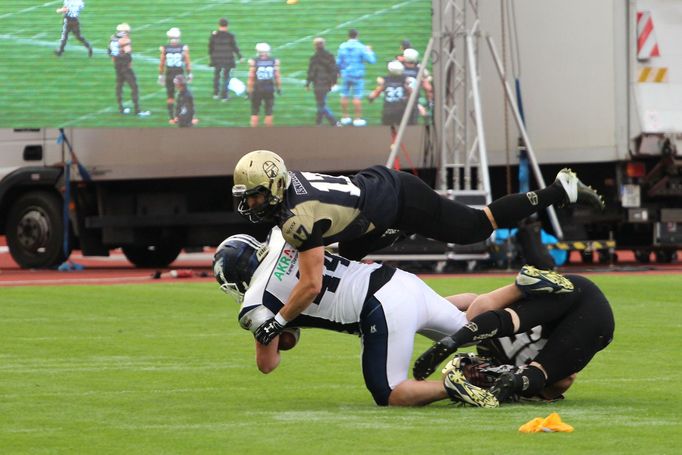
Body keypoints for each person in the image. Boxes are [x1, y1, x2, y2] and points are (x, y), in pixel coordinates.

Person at [231, 150, 606, 347]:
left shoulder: (296, 217)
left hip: (395, 198)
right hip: (372, 205)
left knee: (476, 226)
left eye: (256, 195)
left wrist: (279, 322)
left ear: (275, 185)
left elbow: (311, 285)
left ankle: (560, 189)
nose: (251, 204)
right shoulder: (291, 196)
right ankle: (393, 236)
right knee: (343, 262)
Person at [212, 228, 543, 406]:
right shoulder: (282, 233)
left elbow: (268, 364)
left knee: (389, 391)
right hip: (396, 279)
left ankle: (457, 385)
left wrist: (274, 330)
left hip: (380, 308)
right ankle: (519, 290)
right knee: (467, 325)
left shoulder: (256, 302)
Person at [412, 268, 615, 407]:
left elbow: (565, 380)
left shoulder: (489, 348)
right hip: (576, 295)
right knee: (510, 323)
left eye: (472, 369)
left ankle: (453, 337)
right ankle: (520, 285)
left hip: (575, 304)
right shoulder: (491, 346)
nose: (478, 369)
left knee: (537, 369)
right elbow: (473, 300)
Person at [107, 23, 149, 117]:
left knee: (119, 86)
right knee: (134, 87)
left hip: (117, 65)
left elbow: (109, 52)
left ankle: (121, 108)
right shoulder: (125, 40)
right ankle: (137, 110)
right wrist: (128, 62)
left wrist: (115, 59)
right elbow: (127, 53)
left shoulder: (112, 38)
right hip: (125, 66)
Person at [336, 29, 376, 127]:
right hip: (357, 75)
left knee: (344, 95)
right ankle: (357, 119)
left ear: (348, 36)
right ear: (357, 36)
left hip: (346, 74)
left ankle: (345, 117)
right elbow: (372, 60)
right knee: (357, 96)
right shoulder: (361, 47)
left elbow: (338, 62)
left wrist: (338, 72)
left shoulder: (342, 46)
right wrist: (370, 51)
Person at [159, 27, 192, 121]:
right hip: (179, 74)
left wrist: (161, 75)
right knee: (184, 95)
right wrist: (189, 74)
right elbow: (187, 62)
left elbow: (161, 63)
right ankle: (184, 114)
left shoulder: (165, 48)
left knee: (170, 96)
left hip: (169, 73)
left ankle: (172, 117)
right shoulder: (183, 48)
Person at [305, 37, 338, 126]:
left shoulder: (314, 57)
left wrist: (308, 83)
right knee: (321, 103)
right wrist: (334, 82)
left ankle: (334, 123)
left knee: (321, 105)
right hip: (327, 83)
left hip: (318, 84)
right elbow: (334, 70)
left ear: (315, 46)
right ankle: (319, 123)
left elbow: (311, 72)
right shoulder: (330, 56)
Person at [247, 43, 281, 127]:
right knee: (269, 112)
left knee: (254, 112)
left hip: (257, 88)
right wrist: (279, 88)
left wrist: (249, 90)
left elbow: (251, 77)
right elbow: (277, 76)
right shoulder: (274, 61)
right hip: (269, 88)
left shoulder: (254, 61)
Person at [368, 60, 411, 126]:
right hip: (401, 110)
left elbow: (377, 92)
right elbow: (410, 92)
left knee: (386, 129)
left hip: (388, 110)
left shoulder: (385, 80)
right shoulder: (404, 80)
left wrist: (371, 98)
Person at [208, 18, 242, 101]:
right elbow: (234, 47)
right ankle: (224, 96)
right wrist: (240, 56)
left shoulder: (214, 35)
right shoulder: (230, 35)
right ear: (227, 25)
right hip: (227, 58)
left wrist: (211, 57)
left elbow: (210, 47)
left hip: (217, 58)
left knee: (217, 75)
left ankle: (216, 93)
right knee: (226, 77)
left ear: (219, 25)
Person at [402, 48, 433, 123]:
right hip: (415, 98)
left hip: (402, 99)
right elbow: (428, 87)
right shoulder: (419, 70)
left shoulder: (401, 69)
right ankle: (422, 109)